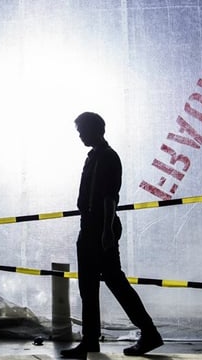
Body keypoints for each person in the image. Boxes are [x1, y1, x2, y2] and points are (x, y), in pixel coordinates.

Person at [60, 112, 163, 359]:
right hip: (92, 227)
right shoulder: (96, 156)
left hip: (97, 228)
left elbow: (109, 197)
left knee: (109, 283)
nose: (80, 135)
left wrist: (106, 229)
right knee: (98, 284)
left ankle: (142, 333)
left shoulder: (106, 157)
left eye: (82, 131)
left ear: (95, 130)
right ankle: (93, 340)